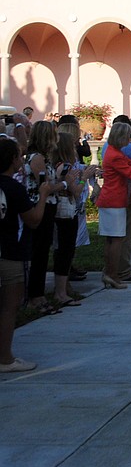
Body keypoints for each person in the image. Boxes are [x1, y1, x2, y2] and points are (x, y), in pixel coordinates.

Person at [0, 139, 52, 372]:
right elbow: (33, 220)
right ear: (12, 159)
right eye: (19, 156)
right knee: (9, 308)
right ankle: (5, 359)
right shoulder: (13, 187)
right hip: (10, 252)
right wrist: (43, 195)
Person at [97, 122, 131, 289]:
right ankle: (113, 274)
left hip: (111, 200)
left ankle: (110, 273)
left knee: (112, 239)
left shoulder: (115, 152)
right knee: (117, 239)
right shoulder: (114, 155)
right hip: (114, 201)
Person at [23, 121, 66, 315]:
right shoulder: (37, 158)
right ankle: (35, 296)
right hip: (40, 206)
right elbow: (45, 186)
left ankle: (38, 293)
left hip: (48, 207)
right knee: (39, 252)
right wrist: (65, 183)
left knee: (42, 251)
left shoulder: (44, 158)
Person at [51, 132, 89, 307]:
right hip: (65, 214)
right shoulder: (66, 167)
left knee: (63, 251)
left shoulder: (56, 164)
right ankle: (61, 292)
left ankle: (64, 288)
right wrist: (84, 179)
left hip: (60, 213)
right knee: (65, 251)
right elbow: (76, 191)